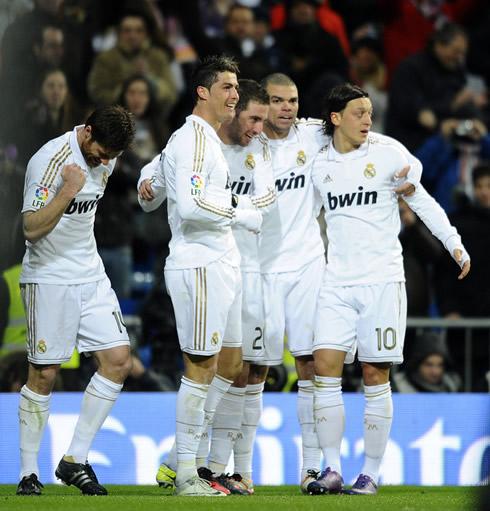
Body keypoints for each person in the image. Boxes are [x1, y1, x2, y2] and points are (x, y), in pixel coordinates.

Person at [257, 72, 421, 494]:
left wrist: (412, 176)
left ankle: (315, 470)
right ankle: (223, 465)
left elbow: (387, 149)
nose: (286, 108)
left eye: (292, 100)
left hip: (315, 267)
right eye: (277, 100)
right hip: (259, 269)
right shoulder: (248, 138)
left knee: (315, 366)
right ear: (263, 105)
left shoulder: (314, 135)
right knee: (248, 369)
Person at [307, 83, 470, 496]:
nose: (367, 119)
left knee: (374, 373)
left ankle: (370, 474)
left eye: (369, 112)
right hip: (336, 282)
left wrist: (454, 243)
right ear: (335, 118)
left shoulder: (389, 153)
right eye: (358, 112)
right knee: (324, 368)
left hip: (382, 282)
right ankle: (331, 469)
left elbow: (422, 199)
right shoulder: (318, 162)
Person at [137, 55, 262, 497]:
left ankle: (176, 458)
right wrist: (239, 211)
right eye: (227, 86)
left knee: (230, 363)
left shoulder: (199, 140)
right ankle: (188, 474)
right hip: (199, 264)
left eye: (236, 87)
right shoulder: (191, 138)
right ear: (203, 92)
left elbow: (151, 190)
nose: (234, 94)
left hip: (222, 263)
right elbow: (189, 206)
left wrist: (148, 179)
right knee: (201, 366)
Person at [16, 105, 136, 496]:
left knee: (119, 361)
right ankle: (28, 474)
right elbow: (31, 229)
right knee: (45, 373)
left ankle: (73, 460)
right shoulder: (50, 161)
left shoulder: (106, 159)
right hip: (48, 277)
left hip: (90, 274)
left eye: (111, 158)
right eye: (101, 153)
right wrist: (67, 191)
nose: (104, 162)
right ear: (86, 132)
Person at [386, 22, 487, 153]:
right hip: (411, 145)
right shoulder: (411, 68)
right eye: (456, 51)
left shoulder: (455, 72)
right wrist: (452, 105)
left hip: (447, 145)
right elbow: (419, 113)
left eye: (463, 54)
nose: (459, 58)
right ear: (438, 45)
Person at [433, 162, 490, 391]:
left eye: (488, 185)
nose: (484, 191)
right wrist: (448, 309)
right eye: (479, 186)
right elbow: (444, 271)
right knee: (465, 384)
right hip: (465, 324)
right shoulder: (458, 224)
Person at [392, 332, 462, 393]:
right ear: (417, 364)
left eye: (440, 365)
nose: (435, 372)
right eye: (429, 365)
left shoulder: (452, 384)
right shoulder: (398, 386)